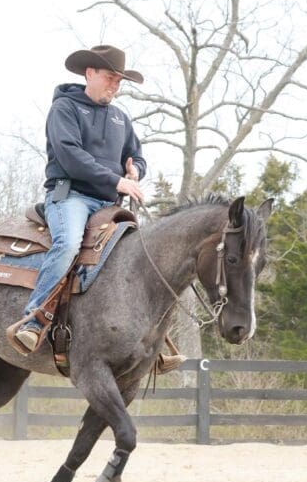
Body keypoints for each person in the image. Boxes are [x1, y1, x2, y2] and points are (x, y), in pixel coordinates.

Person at [11, 44, 185, 374]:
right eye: (110, 78)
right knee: (68, 245)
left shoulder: (121, 118)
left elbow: (137, 155)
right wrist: (117, 181)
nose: (115, 86)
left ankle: (152, 339)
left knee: (141, 256)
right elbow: (70, 156)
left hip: (108, 203)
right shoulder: (64, 109)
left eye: (119, 81)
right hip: (71, 196)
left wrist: (136, 171)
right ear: (89, 73)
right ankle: (34, 320)